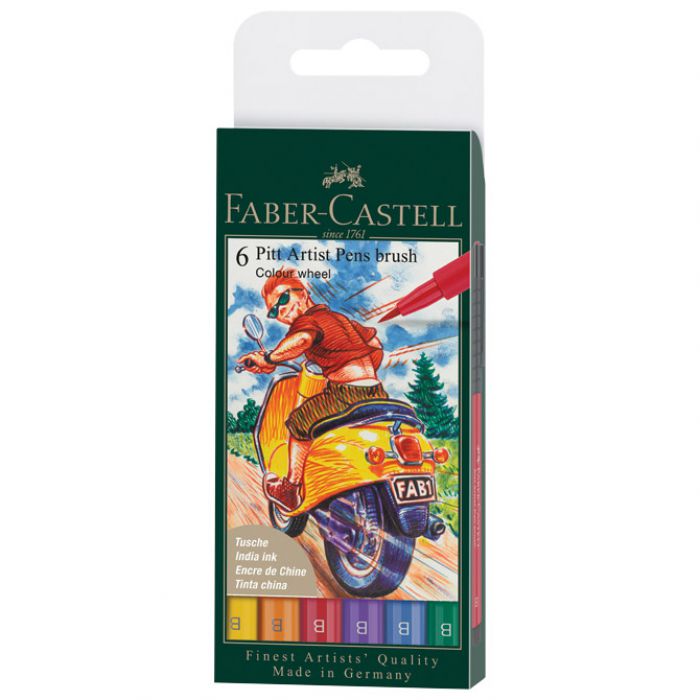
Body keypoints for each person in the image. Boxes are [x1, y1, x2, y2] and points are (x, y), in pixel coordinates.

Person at [238, 269, 386, 511]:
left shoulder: (310, 320)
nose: (281, 311)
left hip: (346, 395)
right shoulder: (340, 319)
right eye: (274, 312)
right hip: (376, 392)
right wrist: (359, 371)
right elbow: (374, 344)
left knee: (299, 422)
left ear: (303, 292)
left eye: (283, 299)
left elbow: (301, 341)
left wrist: (269, 357)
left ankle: (290, 490)